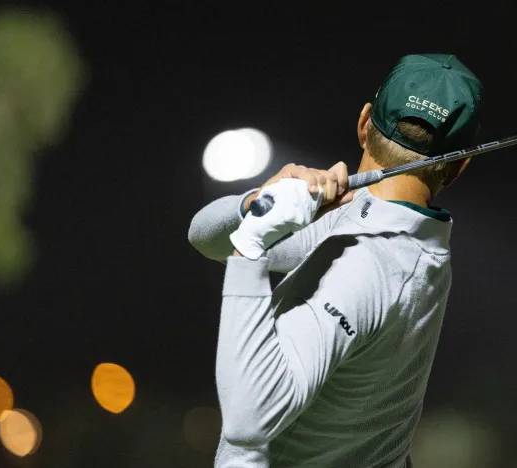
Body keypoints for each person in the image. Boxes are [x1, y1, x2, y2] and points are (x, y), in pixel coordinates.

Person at [188, 53, 484, 468]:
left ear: (365, 123)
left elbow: (249, 420)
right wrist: (257, 204)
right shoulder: (382, 229)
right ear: (458, 167)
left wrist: (253, 244)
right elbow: (204, 236)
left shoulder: (370, 259)